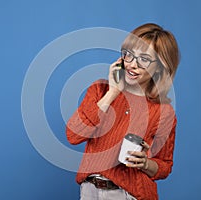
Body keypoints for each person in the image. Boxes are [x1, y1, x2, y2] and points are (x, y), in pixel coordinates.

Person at [66, 23, 180, 200]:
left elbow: (164, 166)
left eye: (143, 59)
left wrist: (144, 163)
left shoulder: (163, 112)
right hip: (89, 190)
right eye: (129, 55)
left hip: (128, 194)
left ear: (159, 67)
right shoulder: (100, 90)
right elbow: (73, 136)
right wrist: (112, 93)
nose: (132, 65)